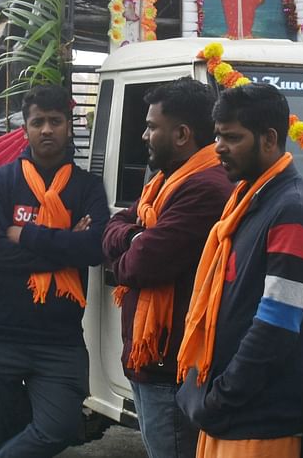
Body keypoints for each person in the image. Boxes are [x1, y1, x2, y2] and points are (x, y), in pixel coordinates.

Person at [175, 83, 303, 458]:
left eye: (232, 137)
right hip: (228, 415)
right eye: (217, 137)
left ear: (269, 139)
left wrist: (222, 395)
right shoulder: (248, 201)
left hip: (256, 423)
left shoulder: (292, 209)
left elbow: (277, 323)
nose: (219, 148)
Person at [0, 84, 110, 457]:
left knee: (59, 428)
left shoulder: (87, 188)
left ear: (68, 126)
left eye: (55, 121)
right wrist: (64, 248)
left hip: (58, 339)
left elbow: (94, 247)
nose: (47, 129)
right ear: (25, 129)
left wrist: (25, 234)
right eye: (38, 122)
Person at [102, 78, 231, 458]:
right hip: (152, 363)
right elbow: (111, 231)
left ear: (182, 134)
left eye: (151, 126)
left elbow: (140, 266)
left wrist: (133, 241)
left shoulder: (206, 187)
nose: (143, 135)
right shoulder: (163, 182)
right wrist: (134, 236)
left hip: (169, 366)